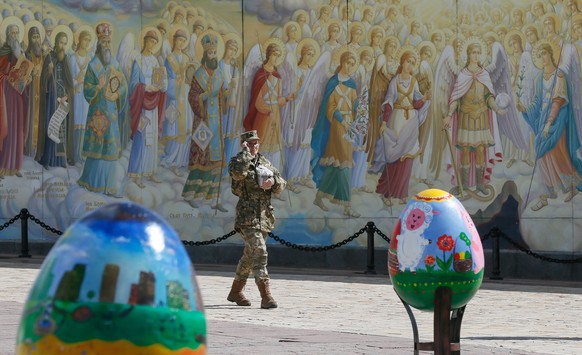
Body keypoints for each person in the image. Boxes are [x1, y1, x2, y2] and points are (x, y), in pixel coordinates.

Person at [227, 130, 286, 309]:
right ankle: (265, 295)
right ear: (244, 145)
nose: (254, 146)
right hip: (247, 217)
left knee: (250, 255)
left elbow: (281, 184)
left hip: (264, 217)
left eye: (256, 143)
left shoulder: (265, 163)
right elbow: (238, 175)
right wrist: (245, 155)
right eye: (250, 144)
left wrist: (273, 183)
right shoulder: (238, 162)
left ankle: (236, 291)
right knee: (260, 251)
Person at [443, 41, 504, 196]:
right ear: (468, 54)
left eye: (478, 52)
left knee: (481, 150)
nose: (476, 55)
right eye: (473, 52)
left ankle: (480, 184)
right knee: (464, 151)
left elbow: (489, 96)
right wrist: (449, 115)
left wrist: (497, 108)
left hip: (481, 116)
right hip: (466, 117)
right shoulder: (463, 74)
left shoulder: (484, 74)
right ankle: (462, 184)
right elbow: (455, 97)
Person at [78, 23, 128, 197]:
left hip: (112, 113)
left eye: (109, 42)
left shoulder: (114, 63)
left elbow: (124, 86)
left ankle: (110, 186)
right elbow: (86, 89)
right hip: (97, 113)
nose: (107, 45)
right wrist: (97, 87)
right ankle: (92, 182)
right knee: (97, 146)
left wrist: (117, 96)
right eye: (104, 42)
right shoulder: (93, 65)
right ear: (99, 44)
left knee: (111, 148)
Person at [311, 49, 360, 217]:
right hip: (338, 127)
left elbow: (354, 103)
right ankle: (347, 206)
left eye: (353, 64)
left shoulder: (352, 84)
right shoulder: (333, 82)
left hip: (350, 127)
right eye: (348, 63)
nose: (350, 66)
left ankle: (319, 197)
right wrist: (342, 119)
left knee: (337, 164)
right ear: (342, 62)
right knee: (345, 161)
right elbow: (329, 106)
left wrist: (361, 109)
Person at [182, 31, 227, 211]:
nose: (213, 56)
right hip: (203, 122)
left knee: (215, 161)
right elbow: (192, 96)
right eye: (210, 53)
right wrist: (203, 96)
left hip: (216, 124)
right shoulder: (198, 74)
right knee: (201, 158)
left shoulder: (220, 73)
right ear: (205, 55)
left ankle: (213, 198)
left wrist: (225, 94)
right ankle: (190, 195)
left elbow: (221, 95)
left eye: (215, 53)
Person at [127, 29, 167, 188]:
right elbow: (132, 86)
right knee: (141, 138)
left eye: (155, 42)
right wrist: (145, 87)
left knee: (152, 141)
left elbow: (161, 82)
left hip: (154, 106)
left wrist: (161, 84)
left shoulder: (156, 62)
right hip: (142, 105)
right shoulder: (138, 60)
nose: (152, 45)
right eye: (150, 41)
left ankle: (150, 171)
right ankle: (136, 173)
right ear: (145, 41)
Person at [36, 30, 75, 169]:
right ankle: (48, 159)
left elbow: (70, 82)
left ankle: (60, 160)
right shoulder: (49, 57)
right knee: (51, 126)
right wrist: (48, 71)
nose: (63, 46)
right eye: (61, 42)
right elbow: (43, 82)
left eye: (65, 43)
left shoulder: (67, 59)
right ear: (56, 42)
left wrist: (67, 96)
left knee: (62, 129)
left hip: (63, 99)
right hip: (52, 98)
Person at [0, 20, 30, 179]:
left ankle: (16, 165)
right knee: (7, 128)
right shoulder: (3, 51)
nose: (15, 35)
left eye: (17, 32)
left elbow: (25, 73)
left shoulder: (22, 52)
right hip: (5, 96)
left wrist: (27, 79)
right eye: (12, 32)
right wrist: (8, 77)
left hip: (18, 95)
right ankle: (3, 166)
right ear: (7, 34)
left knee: (17, 129)